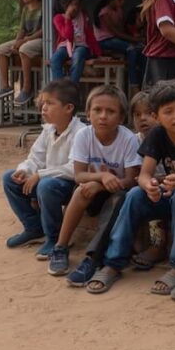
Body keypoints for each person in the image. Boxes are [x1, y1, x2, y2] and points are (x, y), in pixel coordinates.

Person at [86, 80, 175, 295]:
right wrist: (149, 185)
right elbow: (144, 175)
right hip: (174, 191)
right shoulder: (158, 134)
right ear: (156, 116)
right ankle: (113, 263)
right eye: (168, 111)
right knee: (134, 194)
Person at [68, 91, 164, 284]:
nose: (143, 119)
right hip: (131, 190)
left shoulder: (161, 138)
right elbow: (132, 177)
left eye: (149, 113)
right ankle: (62, 247)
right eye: (137, 114)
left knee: (144, 200)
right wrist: (101, 179)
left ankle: (156, 247)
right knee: (126, 198)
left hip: (152, 190)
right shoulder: (135, 139)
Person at [47, 85, 141, 279]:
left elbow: (132, 179)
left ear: (121, 118)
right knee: (81, 191)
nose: (103, 116)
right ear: (88, 114)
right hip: (92, 189)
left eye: (111, 111)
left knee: (118, 200)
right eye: (97, 110)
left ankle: (92, 258)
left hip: (118, 191)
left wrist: (103, 183)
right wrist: (100, 178)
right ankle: (60, 246)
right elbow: (79, 175)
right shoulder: (84, 135)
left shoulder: (128, 139)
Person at [0, 79, 83, 259]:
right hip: (47, 182)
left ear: (68, 108)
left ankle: (55, 237)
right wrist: (24, 170)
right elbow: (35, 157)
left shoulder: (80, 133)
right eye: (43, 103)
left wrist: (40, 175)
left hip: (69, 187)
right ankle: (34, 228)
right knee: (8, 178)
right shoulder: (48, 130)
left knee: (46, 185)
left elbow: (75, 169)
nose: (43, 108)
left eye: (50, 103)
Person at [0, 0, 43, 105]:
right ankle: (6, 86)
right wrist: (17, 41)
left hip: (41, 40)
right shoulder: (26, 10)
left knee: (24, 49)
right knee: (0, 49)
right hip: (26, 39)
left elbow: (44, 30)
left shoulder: (44, 7)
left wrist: (25, 40)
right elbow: (22, 29)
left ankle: (27, 89)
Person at [93, 0, 142, 90]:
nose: (122, 2)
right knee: (131, 48)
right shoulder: (105, 12)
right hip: (104, 41)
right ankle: (133, 82)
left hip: (116, 39)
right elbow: (116, 33)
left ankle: (139, 79)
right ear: (111, 0)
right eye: (119, 0)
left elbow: (121, 30)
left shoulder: (119, 11)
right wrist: (136, 40)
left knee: (140, 49)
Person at [51, 0, 101, 83]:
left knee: (77, 55)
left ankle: (73, 87)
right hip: (65, 46)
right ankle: (60, 87)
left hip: (82, 46)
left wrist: (98, 54)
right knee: (54, 59)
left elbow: (90, 35)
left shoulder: (83, 16)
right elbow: (67, 36)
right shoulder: (58, 18)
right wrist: (68, 18)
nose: (75, 8)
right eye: (72, 4)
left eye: (77, 4)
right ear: (65, 5)